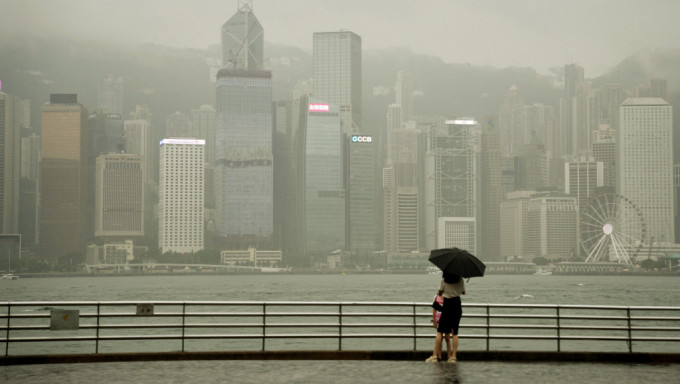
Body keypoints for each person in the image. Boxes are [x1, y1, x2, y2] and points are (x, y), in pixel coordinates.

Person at [425, 271, 465, 363]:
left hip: (447, 305)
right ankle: (453, 357)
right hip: (457, 305)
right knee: (455, 332)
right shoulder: (460, 279)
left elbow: (440, 293)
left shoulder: (444, 280)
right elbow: (463, 292)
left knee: (440, 331)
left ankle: (434, 356)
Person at [427, 294, 452, 362]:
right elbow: (434, 310)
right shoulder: (436, 297)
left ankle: (448, 356)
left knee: (447, 337)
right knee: (442, 338)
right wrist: (434, 320)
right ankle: (439, 355)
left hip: (446, 318)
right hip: (440, 319)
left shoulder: (449, 297)